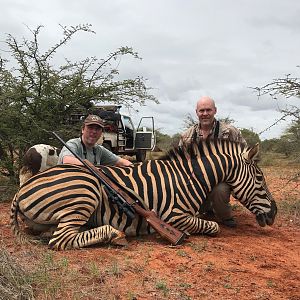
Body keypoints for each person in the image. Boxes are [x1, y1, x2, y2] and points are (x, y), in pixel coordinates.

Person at [179, 96, 247, 228]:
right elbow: (180, 162)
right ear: (196, 112)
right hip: (196, 180)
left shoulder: (229, 132)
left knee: (219, 190)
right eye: (201, 110)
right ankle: (203, 208)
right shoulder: (187, 135)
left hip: (222, 179)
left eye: (208, 110)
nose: (205, 114)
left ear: (215, 110)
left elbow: (245, 156)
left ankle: (225, 216)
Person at [58, 114, 132, 167]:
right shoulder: (73, 144)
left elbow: (120, 161)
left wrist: (133, 167)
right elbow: (67, 160)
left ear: (101, 133)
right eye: (90, 128)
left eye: (97, 129)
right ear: (83, 129)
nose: (94, 131)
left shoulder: (99, 149)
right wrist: (94, 168)